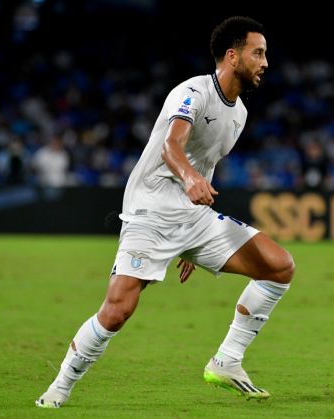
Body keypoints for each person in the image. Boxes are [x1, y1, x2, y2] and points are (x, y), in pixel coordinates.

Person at [35, 16, 295, 408]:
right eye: (257, 52)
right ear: (232, 55)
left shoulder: (239, 113)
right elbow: (171, 147)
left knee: (279, 266)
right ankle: (59, 387)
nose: (265, 62)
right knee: (118, 310)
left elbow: (203, 167)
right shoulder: (192, 92)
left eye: (265, 54)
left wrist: (193, 235)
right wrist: (189, 181)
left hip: (192, 218)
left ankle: (227, 360)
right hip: (151, 210)